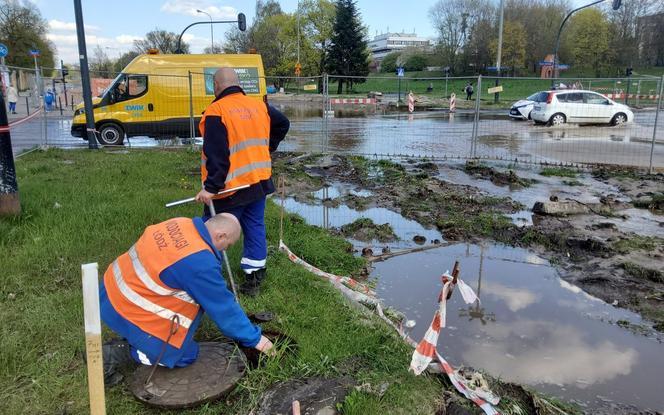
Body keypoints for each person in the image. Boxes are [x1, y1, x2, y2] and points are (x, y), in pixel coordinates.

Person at [99, 213, 274, 384]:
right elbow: (224, 310)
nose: (225, 250)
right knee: (185, 355)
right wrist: (256, 339)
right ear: (221, 235)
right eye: (227, 245)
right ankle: (115, 354)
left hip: (110, 290)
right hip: (128, 307)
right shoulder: (199, 264)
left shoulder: (181, 223)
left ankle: (136, 337)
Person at [195, 68, 290, 296]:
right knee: (254, 226)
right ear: (237, 84)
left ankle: (205, 278)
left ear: (217, 86)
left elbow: (217, 156)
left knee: (212, 230)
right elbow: (283, 123)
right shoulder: (259, 106)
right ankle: (254, 277)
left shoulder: (216, 111)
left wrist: (210, 188)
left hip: (231, 188)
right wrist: (269, 146)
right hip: (258, 182)